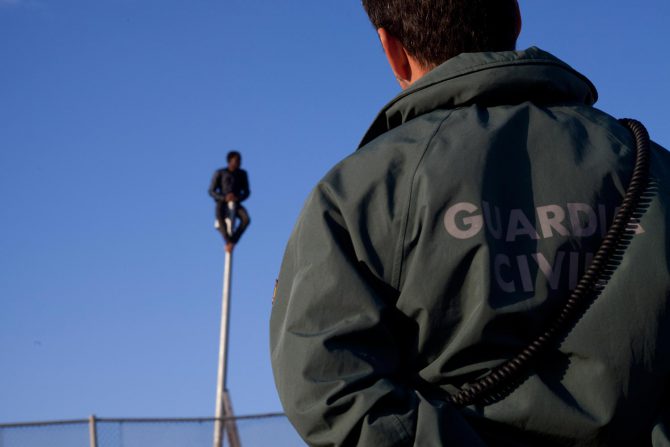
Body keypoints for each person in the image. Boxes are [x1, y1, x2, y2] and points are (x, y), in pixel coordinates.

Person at [270, 0, 670, 446]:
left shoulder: (359, 193)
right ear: (516, 20)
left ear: (392, 49)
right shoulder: (654, 168)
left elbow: (332, 387)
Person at [209, 150, 250, 252]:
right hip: (222, 202)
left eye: (240, 160)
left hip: (236, 203)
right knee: (219, 215)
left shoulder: (242, 174)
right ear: (230, 161)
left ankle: (233, 241)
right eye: (236, 160)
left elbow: (246, 192)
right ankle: (227, 241)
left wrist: (237, 198)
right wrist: (224, 197)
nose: (239, 163)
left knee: (246, 219)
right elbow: (211, 191)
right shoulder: (220, 173)